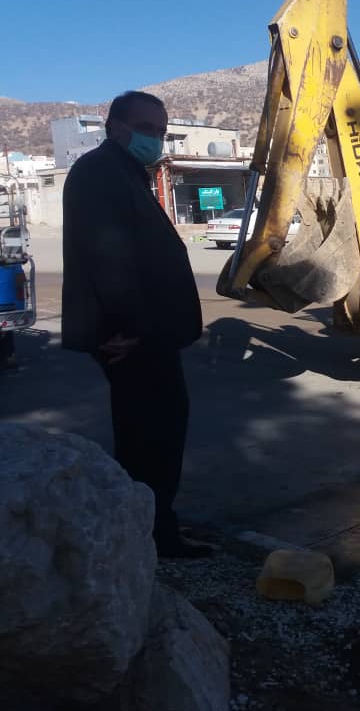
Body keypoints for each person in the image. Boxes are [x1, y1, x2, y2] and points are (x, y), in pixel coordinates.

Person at [62, 90, 210, 558]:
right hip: (131, 336)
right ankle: (149, 535)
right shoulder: (99, 174)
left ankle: (152, 529)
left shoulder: (124, 173)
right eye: (148, 129)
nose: (156, 139)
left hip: (144, 331)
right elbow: (109, 260)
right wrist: (134, 330)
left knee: (157, 432)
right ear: (117, 127)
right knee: (152, 437)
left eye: (162, 131)